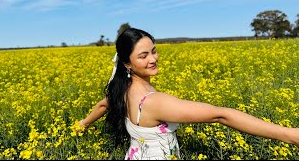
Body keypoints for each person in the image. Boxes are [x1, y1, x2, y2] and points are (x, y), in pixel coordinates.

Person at [77, 28, 299, 160]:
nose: (153, 59)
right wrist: (289, 135)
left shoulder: (121, 90)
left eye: (154, 51)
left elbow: (102, 106)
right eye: (143, 55)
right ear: (127, 63)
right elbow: (220, 115)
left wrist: (83, 124)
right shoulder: (153, 102)